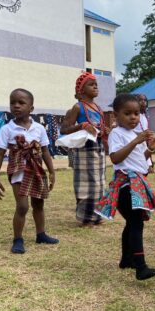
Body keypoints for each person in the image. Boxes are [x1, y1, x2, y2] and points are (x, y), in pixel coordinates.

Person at [96, 93, 155, 280]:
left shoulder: (134, 135)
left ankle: (126, 259)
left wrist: (150, 149)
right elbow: (115, 158)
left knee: (132, 222)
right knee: (136, 223)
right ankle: (140, 267)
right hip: (126, 183)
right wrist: (136, 141)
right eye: (128, 113)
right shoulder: (117, 133)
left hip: (136, 181)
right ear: (116, 115)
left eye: (137, 113)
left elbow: (140, 161)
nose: (134, 117)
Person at [0, 88, 58, 254]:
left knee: (38, 204)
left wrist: (51, 171)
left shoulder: (39, 128)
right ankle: (18, 239)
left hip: (36, 170)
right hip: (18, 171)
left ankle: (41, 234)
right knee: (22, 206)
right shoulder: (7, 129)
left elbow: (45, 151)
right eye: (13, 102)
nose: (16, 106)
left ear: (31, 108)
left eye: (21, 103)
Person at [60, 72, 109, 227]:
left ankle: (97, 216)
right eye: (91, 84)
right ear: (81, 90)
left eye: (96, 84)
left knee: (99, 183)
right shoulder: (77, 107)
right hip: (83, 151)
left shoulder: (99, 109)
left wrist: (105, 130)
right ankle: (85, 218)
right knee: (85, 184)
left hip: (98, 149)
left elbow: (100, 129)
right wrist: (82, 125)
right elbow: (64, 129)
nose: (95, 86)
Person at [134, 93, 154, 173]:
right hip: (135, 147)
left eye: (145, 100)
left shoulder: (144, 117)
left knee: (145, 171)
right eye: (140, 100)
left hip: (144, 146)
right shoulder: (134, 117)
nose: (143, 102)